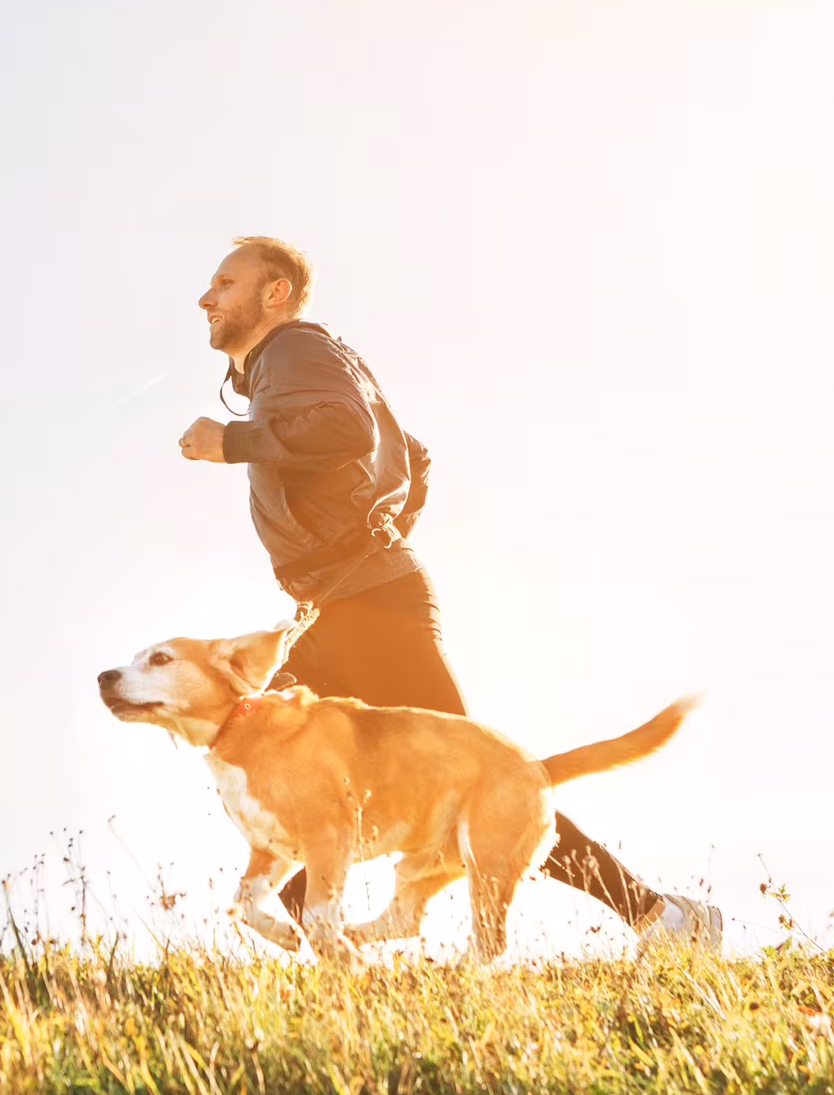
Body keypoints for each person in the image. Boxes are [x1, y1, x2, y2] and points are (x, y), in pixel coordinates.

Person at [176, 235, 720, 951]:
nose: (205, 298)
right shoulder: (306, 365)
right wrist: (375, 530)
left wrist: (235, 442)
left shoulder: (294, 354)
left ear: (274, 293)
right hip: (345, 602)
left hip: (366, 606)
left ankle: (661, 918)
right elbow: (411, 455)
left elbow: (344, 431)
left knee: (482, 780)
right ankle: (312, 938)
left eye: (225, 282)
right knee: (289, 764)